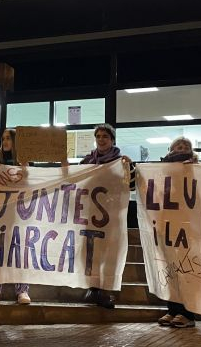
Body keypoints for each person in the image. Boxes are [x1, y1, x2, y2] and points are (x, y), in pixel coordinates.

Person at [79, 124, 128, 309]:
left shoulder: (120, 161)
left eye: (105, 136)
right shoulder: (87, 161)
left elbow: (129, 186)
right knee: (90, 253)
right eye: (98, 136)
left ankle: (106, 290)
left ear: (112, 139)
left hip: (113, 215)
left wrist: (128, 168)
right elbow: (76, 181)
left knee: (109, 253)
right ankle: (93, 287)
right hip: (91, 213)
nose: (101, 139)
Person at [0, 129, 32, 305]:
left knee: (19, 250)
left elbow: (32, 187)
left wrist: (25, 169)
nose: (5, 142)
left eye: (8, 138)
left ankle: (22, 290)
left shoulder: (26, 162)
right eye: (3, 139)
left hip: (19, 214)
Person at [156, 137, 198, 329]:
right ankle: (172, 310)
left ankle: (187, 313)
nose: (182, 148)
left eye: (185, 146)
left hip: (189, 227)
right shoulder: (161, 170)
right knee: (171, 270)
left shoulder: (197, 168)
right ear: (170, 149)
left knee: (187, 270)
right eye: (178, 146)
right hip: (168, 224)